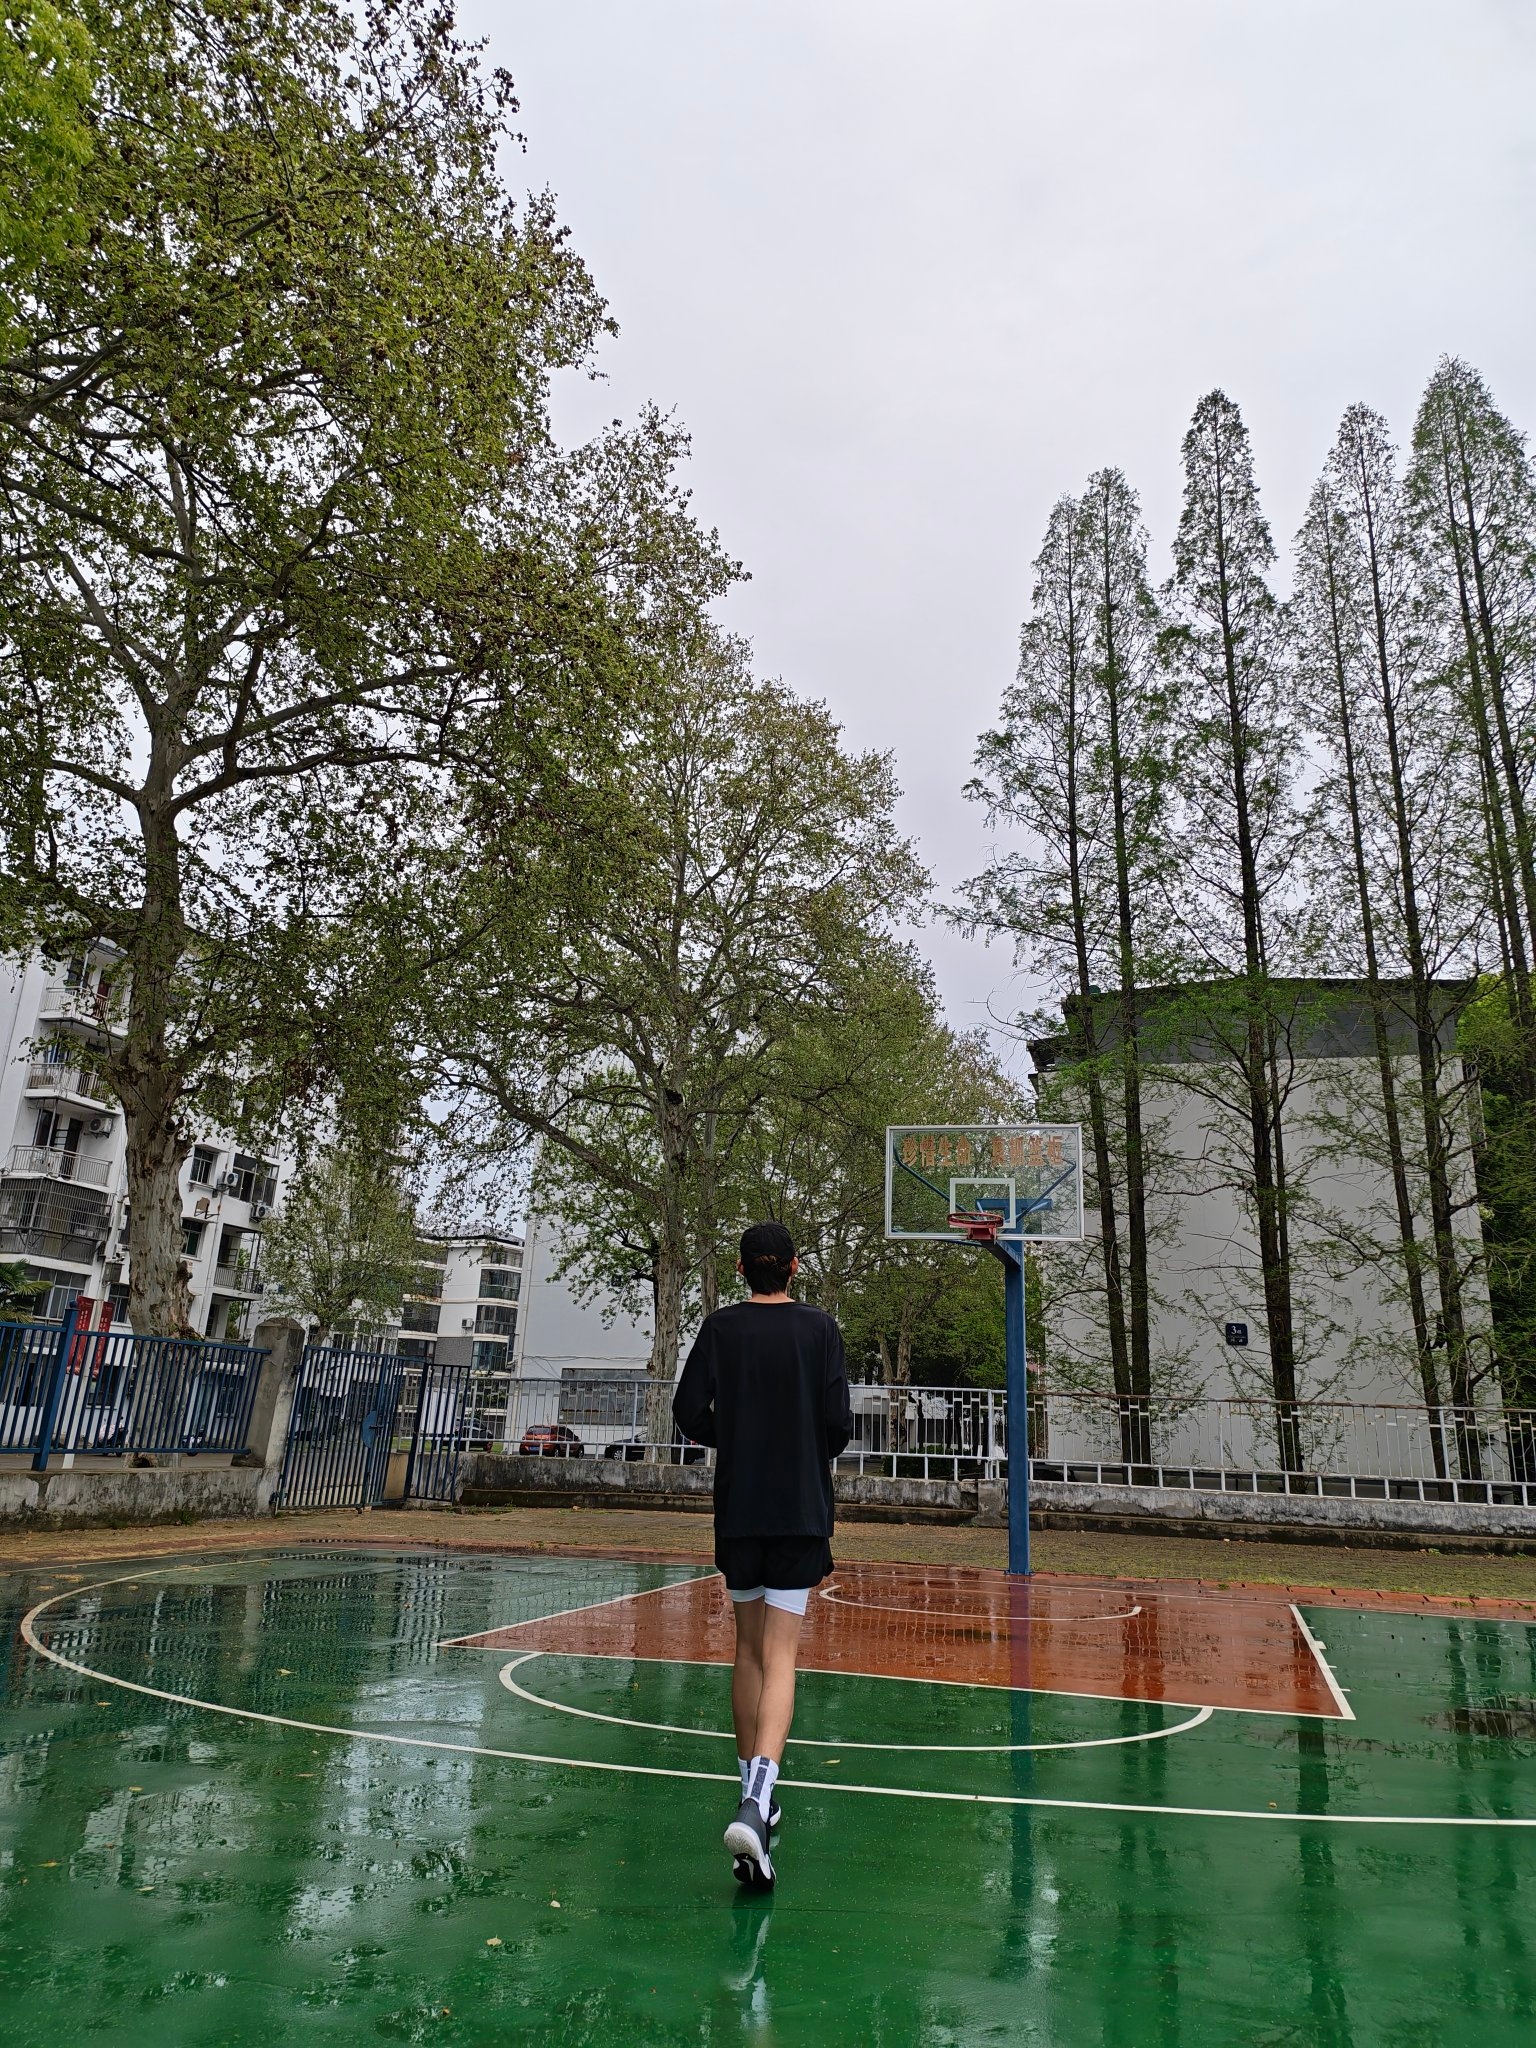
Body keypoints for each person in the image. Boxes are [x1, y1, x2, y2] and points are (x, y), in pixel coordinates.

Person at [672, 1220, 853, 1890]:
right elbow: (837, 1426)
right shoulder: (821, 1329)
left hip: (740, 1510)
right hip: (799, 1510)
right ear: (795, 1267)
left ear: (742, 1270)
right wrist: (796, 1442)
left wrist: (739, 1433)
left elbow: (688, 1411)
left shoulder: (721, 1328)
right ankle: (758, 1799)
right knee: (781, 1656)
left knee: (747, 1652)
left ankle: (753, 1793)